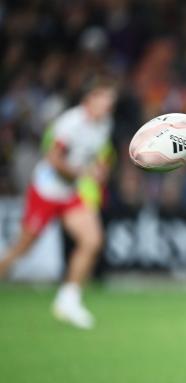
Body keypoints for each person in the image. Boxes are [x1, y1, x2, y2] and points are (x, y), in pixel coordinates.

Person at [0, 77, 117, 329]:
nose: (108, 103)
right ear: (89, 99)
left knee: (92, 240)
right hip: (46, 190)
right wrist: (82, 174)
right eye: (104, 97)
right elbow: (53, 158)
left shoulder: (105, 123)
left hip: (70, 193)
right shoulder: (71, 123)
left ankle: (68, 300)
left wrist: (100, 170)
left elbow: (99, 155)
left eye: (110, 98)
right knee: (23, 247)